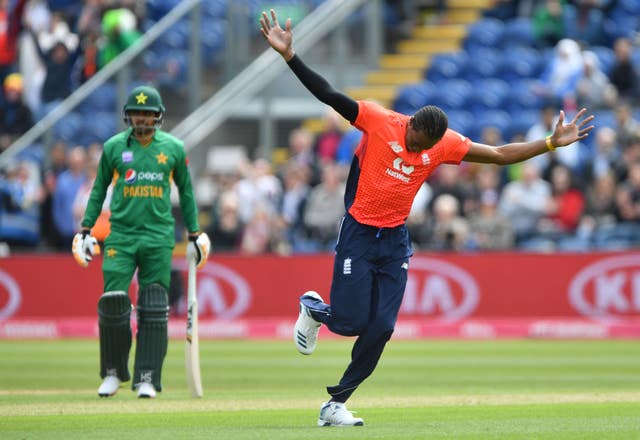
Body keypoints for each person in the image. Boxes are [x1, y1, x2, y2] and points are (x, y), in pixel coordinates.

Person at [260, 9, 594, 427]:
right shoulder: (381, 122)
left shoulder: (441, 143)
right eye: (418, 144)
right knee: (348, 321)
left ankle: (336, 403)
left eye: (429, 149)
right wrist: (290, 57)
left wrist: (548, 143)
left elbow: (495, 155)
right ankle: (314, 309)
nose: (422, 154)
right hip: (359, 232)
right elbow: (328, 94)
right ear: (412, 125)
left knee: (381, 327)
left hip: (395, 239)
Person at [71, 85, 210, 399]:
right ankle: (112, 372)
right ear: (127, 116)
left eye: (148, 114)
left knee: (154, 305)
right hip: (121, 233)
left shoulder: (173, 148)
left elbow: (186, 192)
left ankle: (147, 376)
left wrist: (194, 232)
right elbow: (98, 191)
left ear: (158, 116)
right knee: (113, 302)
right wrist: (86, 229)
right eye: (137, 113)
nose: (142, 119)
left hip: (158, 236)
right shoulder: (113, 148)